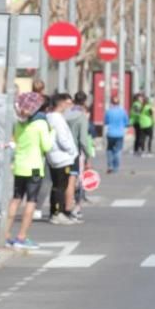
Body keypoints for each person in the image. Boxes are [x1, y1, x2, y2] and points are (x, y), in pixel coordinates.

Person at [5, 91, 51, 248]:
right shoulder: (41, 124)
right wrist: (53, 133)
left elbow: (16, 140)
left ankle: (5, 234)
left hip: (19, 166)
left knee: (16, 198)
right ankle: (22, 237)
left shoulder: (20, 124)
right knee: (31, 201)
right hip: (35, 167)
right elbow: (47, 146)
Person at [45, 92, 78, 225]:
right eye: (67, 103)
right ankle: (58, 213)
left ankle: (56, 211)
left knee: (57, 185)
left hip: (56, 156)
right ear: (61, 103)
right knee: (61, 186)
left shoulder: (50, 117)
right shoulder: (57, 118)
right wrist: (72, 151)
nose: (68, 105)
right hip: (62, 157)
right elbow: (63, 138)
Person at [65, 90, 92, 221]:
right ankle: (75, 209)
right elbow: (83, 139)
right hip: (75, 152)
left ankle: (59, 208)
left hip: (61, 151)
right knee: (76, 181)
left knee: (62, 181)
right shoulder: (82, 115)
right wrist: (88, 155)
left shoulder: (65, 113)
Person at [104, 95, 128, 173]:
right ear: (119, 103)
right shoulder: (123, 111)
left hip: (110, 133)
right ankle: (116, 167)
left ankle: (110, 165)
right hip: (120, 133)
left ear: (111, 102)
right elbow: (126, 122)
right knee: (118, 150)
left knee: (109, 149)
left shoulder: (108, 111)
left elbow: (106, 122)